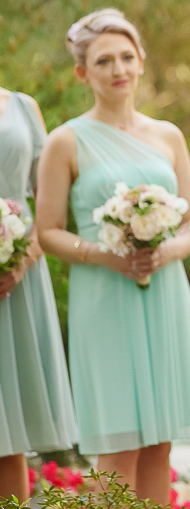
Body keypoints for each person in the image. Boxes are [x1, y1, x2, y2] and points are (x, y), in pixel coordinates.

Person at [35, 9, 190, 504]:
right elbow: (47, 232)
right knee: (116, 446)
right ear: (82, 73)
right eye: (103, 60)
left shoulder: (167, 135)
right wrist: (106, 256)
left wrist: (168, 250)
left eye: (126, 57)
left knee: (159, 445)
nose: (118, 69)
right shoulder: (64, 140)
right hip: (104, 295)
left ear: (141, 62)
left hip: (164, 293)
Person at [0, 88, 77, 502]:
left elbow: (48, 204)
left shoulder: (23, 107)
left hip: (16, 276)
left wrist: (17, 263)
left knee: (8, 434)